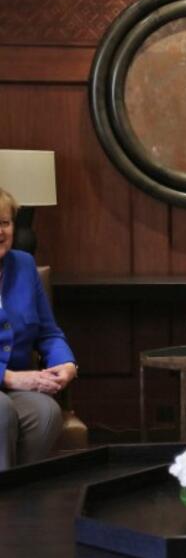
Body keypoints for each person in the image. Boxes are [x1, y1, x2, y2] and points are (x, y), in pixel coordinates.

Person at [0, 188, 77, 470]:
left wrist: (65, 363)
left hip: (16, 388)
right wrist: (10, 379)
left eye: (4, 223)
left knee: (46, 413)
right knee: (1, 411)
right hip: (8, 389)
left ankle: (20, 499)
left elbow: (47, 332)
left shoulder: (23, 264)